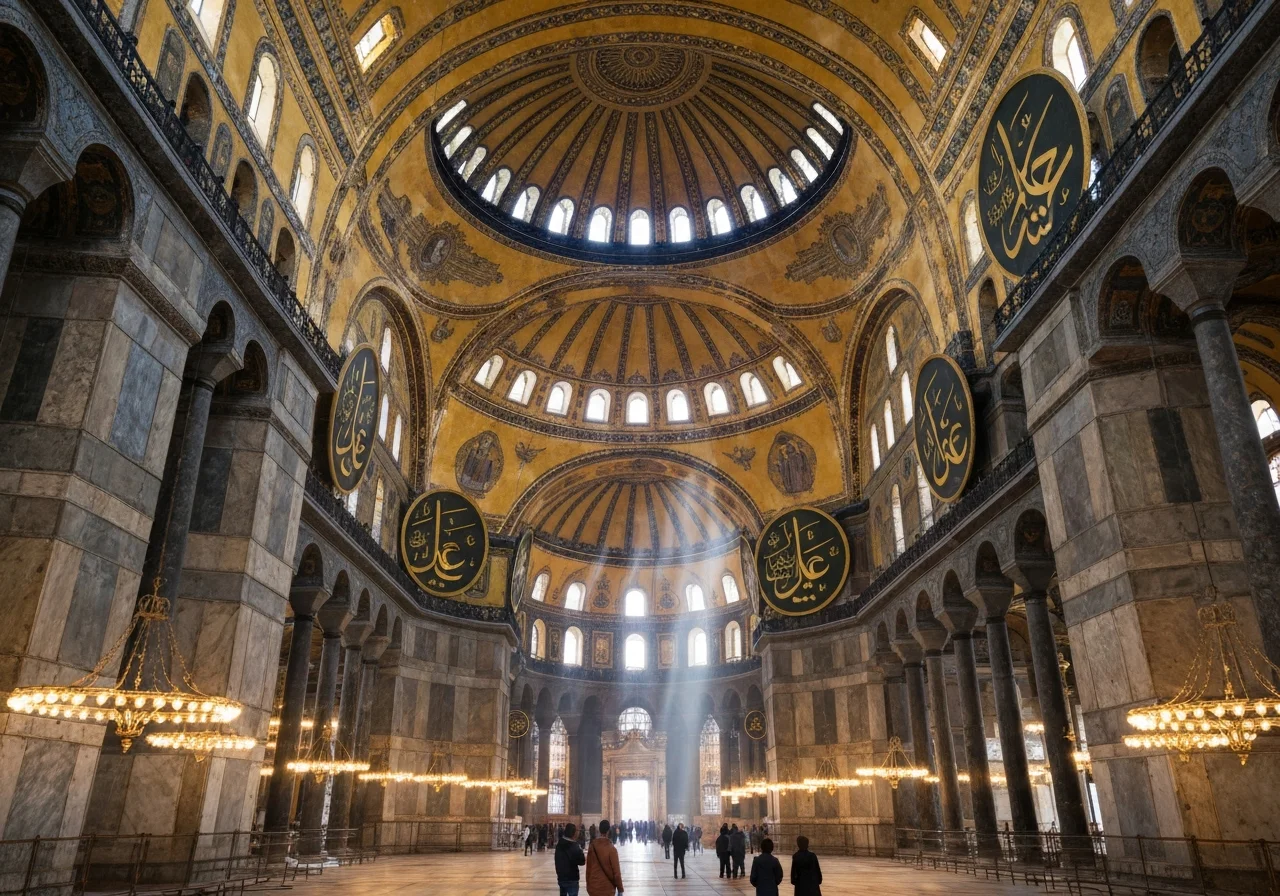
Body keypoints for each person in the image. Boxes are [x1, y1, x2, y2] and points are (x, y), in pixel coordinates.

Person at [586, 820, 624, 896]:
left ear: (599, 830)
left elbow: (588, 869)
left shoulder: (592, 846)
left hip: (593, 887)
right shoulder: (612, 849)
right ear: (608, 831)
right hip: (607, 889)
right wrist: (620, 889)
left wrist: (589, 885)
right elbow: (616, 873)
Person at [555, 823, 586, 896]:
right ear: (573, 833)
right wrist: (580, 851)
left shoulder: (559, 844)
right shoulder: (574, 846)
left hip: (561, 877)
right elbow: (582, 861)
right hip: (572, 878)